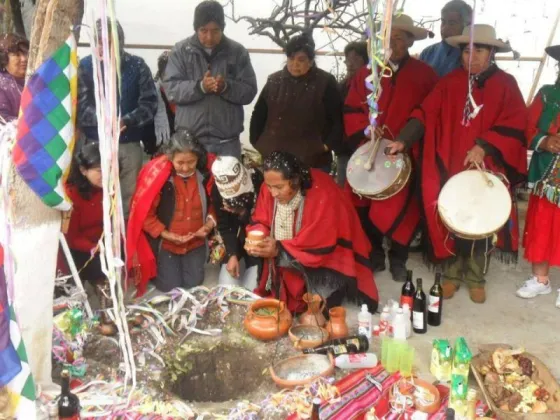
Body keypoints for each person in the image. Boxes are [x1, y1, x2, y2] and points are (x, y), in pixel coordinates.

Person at [387, 24, 527, 303]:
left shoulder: (506, 84)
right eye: (466, 51)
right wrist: (403, 140)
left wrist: (484, 145)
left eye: (479, 50)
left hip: (487, 166)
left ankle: (475, 277)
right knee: (451, 216)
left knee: (482, 218)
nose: (471, 57)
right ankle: (451, 275)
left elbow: (517, 123)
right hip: (450, 163)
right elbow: (425, 112)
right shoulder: (449, 82)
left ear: (492, 53)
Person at [344, 14, 438, 281]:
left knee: (405, 208)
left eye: (398, 38)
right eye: (387, 38)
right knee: (368, 201)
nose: (392, 43)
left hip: (407, 154)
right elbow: (351, 108)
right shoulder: (366, 73)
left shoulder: (425, 75)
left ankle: (399, 258)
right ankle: (374, 254)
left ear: (409, 41)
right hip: (371, 151)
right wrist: (366, 131)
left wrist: (407, 140)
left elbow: (430, 113)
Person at [246, 151, 379, 314]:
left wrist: (279, 249)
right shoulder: (269, 187)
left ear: (295, 181)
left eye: (279, 187)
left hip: (326, 259)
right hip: (290, 251)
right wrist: (257, 237)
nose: (273, 193)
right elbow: (261, 219)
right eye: (269, 186)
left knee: (318, 308)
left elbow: (319, 244)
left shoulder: (322, 194)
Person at [77, 19, 158, 219]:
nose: (105, 46)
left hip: (128, 145)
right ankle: (95, 246)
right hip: (95, 146)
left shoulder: (137, 66)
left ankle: (125, 247)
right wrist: (103, 120)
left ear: (120, 40)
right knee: (95, 199)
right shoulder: (85, 66)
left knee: (128, 200)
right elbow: (79, 106)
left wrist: (127, 120)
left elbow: (150, 104)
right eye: (100, 41)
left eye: (110, 40)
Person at [126, 131, 217, 295]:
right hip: (167, 244)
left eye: (191, 162)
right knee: (168, 286)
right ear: (170, 159)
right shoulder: (160, 180)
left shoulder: (206, 175)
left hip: (195, 242)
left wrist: (209, 224)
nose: (185, 167)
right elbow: (145, 215)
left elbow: (216, 205)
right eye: (180, 162)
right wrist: (167, 235)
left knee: (194, 283)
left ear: (198, 158)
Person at [164, 0, 257, 158]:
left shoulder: (237, 52)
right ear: (196, 28)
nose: (209, 36)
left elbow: (249, 90)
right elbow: (171, 89)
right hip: (190, 143)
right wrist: (200, 87)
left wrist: (226, 87)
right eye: (203, 30)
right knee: (194, 183)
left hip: (227, 143)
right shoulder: (180, 51)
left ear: (222, 28)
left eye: (215, 31)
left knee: (228, 183)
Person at [250, 34, 344, 171]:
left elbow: (337, 120)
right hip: (275, 160)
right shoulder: (274, 81)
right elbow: (258, 115)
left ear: (311, 61)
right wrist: (258, 143)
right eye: (291, 58)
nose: (295, 64)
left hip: (313, 160)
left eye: (301, 60)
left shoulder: (325, 82)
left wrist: (325, 146)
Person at [516, 44, 560, 308]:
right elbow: (527, 127)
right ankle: (541, 280)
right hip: (547, 177)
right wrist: (544, 142)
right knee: (542, 224)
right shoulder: (547, 95)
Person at [65, 143, 116, 334]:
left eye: (107, 169)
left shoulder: (107, 190)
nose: (104, 174)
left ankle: (107, 315)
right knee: (95, 273)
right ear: (83, 170)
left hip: (99, 243)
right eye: (98, 170)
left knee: (110, 270)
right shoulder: (72, 195)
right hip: (77, 249)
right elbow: (71, 238)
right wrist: (95, 248)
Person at [211, 156, 263, 289]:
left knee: (253, 289)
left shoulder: (259, 182)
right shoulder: (217, 191)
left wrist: (243, 213)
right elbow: (224, 225)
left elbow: (264, 222)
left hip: (258, 239)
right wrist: (232, 254)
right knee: (226, 288)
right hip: (234, 237)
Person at [337, 41, 368, 186]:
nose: (350, 64)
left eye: (356, 59)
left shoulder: (372, 85)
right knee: (343, 189)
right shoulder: (342, 86)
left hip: (365, 145)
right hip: (344, 148)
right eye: (348, 59)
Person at [419, 0, 472, 77]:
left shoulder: (472, 56)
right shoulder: (427, 53)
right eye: (443, 22)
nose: (445, 28)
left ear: (467, 26)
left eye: (452, 23)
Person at [0, 33, 28, 122]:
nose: (24, 59)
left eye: (25, 53)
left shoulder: (35, 76)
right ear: (4, 59)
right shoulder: (2, 85)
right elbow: (3, 120)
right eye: (17, 55)